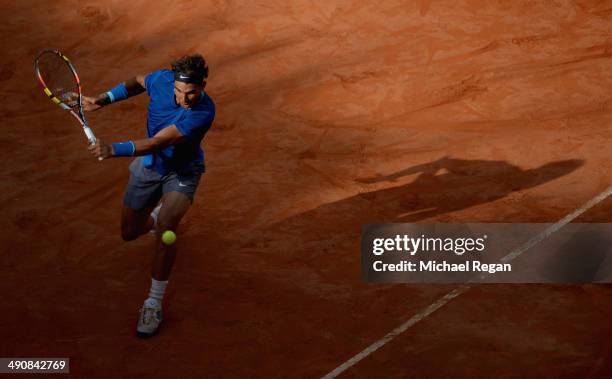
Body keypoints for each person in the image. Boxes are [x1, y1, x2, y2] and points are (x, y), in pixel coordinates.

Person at [83, 54, 215, 338]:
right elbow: (138, 82)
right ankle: (154, 218)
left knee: (168, 227)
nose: (185, 99)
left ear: (203, 85)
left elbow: (160, 141)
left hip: (183, 171)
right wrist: (102, 99)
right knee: (130, 232)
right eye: (179, 92)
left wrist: (113, 149)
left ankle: (153, 302)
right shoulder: (161, 80)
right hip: (150, 167)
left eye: (191, 92)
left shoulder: (204, 112)